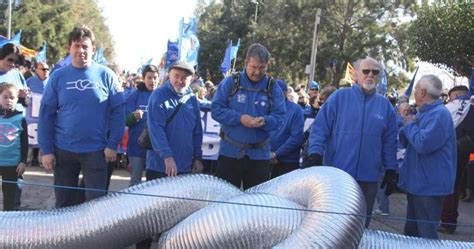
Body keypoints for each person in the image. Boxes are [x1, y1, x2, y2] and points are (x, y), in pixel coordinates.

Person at [38, 25, 125, 208]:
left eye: (85, 46)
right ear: (69, 48)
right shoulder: (57, 77)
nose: (80, 50)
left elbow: (118, 113)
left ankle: (92, 238)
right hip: (64, 150)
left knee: (95, 205)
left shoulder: (106, 75)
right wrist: (47, 150)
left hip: (97, 151)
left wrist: (112, 144)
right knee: (64, 204)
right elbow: (46, 114)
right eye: (76, 45)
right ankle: (63, 237)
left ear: (93, 49)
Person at [307, 57, 398, 227]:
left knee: (361, 228)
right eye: (366, 71)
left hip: (368, 180)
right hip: (338, 177)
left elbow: (390, 142)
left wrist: (391, 169)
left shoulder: (385, 106)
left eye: (375, 72)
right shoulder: (339, 98)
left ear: (378, 77)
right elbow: (319, 129)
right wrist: (315, 154)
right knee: (331, 227)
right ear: (356, 75)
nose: (370, 74)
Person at [140, 61, 203, 249]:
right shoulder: (159, 95)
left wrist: (197, 157)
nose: (180, 80)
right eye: (177, 76)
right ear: (169, 74)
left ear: (191, 79)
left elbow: (197, 130)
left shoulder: (192, 99)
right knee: (151, 213)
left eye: (185, 77)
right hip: (159, 166)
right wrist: (167, 156)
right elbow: (155, 129)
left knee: (176, 215)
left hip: (183, 167)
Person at [211, 43, 286, 189]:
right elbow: (216, 109)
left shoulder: (273, 87)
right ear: (246, 63)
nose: (257, 72)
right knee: (224, 203)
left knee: (256, 205)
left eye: (262, 68)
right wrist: (239, 118)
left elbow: (280, 118)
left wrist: (265, 121)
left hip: (259, 157)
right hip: (230, 155)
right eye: (254, 67)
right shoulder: (231, 83)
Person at [398, 75, 456, 239]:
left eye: (415, 89)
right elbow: (406, 140)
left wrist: (409, 123)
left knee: (425, 236)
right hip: (417, 184)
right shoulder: (423, 113)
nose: (413, 93)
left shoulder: (439, 115)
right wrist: (406, 120)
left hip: (428, 186)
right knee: (411, 233)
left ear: (422, 92)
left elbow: (423, 144)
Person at [439, 85, 474, 234]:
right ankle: (449, 220)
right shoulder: (471, 108)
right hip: (464, 153)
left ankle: (447, 221)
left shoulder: (452, 108)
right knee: (454, 186)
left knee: (448, 187)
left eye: (452, 95)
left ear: (457, 94)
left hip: (452, 150)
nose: (451, 99)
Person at [125, 65, 159, 186]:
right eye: (149, 78)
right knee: (135, 181)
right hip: (137, 146)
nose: (152, 81)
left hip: (156, 147)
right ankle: (131, 205)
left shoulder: (162, 95)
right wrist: (133, 116)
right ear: (144, 79)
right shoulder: (135, 95)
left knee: (154, 183)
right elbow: (125, 120)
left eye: (155, 77)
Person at [0, 83, 27, 211]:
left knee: (10, 198)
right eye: (5, 97)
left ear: (17, 99)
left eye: (12, 98)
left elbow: (25, 143)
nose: (8, 101)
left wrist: (23, 161)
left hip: (12, 164)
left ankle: (8, 223)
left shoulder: (20, 118)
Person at [270, 80, 304, 178]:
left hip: (287, 163)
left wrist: (276, 154)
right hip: (265, 161)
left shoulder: (295, 110)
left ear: (285, 93)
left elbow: (296, 138)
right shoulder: (266, 108)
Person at [26, 61, 50, 167]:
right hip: (30, 118)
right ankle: (27, 160)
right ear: (36, 70)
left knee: (43, 137)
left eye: (47, 69)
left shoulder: (52, 82)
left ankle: (42, 161)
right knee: (29, 137)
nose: (46, 71)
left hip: (45, 117)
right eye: (43, 69)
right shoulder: (29, 82)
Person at [0, 43, 30, 112]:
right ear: (1, 56)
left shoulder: (18, 74)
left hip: (15, 121)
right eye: (10, 60)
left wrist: (23, 97)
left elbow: (27, 103)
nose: (13, 64)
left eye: (16, 62)